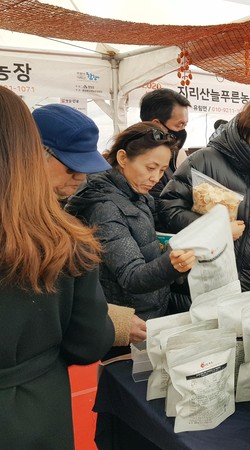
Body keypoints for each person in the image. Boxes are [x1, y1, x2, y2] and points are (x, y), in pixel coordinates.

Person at [0, 86, 114, 449]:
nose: (79, 177)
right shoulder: (66, 239)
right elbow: (88, 343)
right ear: (31, 149)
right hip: (34, 412)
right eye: (71, 166)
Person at [32, 104, 147, 348]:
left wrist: (108, 316)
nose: (80, 177)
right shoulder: (23, 220)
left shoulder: (54, 211)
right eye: (71, 167)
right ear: (33, 154)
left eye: (85, 168)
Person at [66, 122, 196, 326]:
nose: (155, 178)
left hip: (150, 310)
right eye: (150, 168)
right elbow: (131, 276)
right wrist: (173, 264)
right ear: (123, 158)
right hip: (129, 322)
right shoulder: (105, 207)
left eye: (162, 170)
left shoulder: (138, 195)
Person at [159, 97, 250, 292]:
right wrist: (218, 230)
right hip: (207, 279)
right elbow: (167, 208)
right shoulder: (204, 160)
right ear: (247, 131)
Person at [139, 88, 191, 207]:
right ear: (157, 124)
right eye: (180, 125)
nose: (183, 131)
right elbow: (159, 208)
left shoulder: (173, 155)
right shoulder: (139, 157)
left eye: (185, 124)